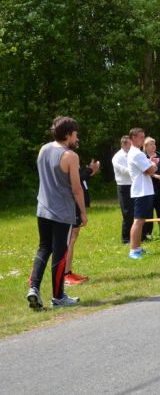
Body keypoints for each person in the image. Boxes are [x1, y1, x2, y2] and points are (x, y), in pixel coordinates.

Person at [27, 116, 86, 309]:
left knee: (44, 248)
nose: (76, 136)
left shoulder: (44, 149)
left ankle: (33, 288)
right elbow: (77, 189)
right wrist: (83, 213)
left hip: (42, 208)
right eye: (75, 133)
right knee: (60, 254)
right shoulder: (70, 156)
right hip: (62, 213)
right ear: (68, 134)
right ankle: (58, 296)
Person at [64, 147, 100, 286]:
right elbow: (76, 181)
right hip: (71, 207)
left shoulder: (72, 157)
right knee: (68, 241)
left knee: (73, 239)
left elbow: (80, 177)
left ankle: (68, 272)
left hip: (76, 208)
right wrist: (91, 170)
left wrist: (91, 171)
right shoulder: (67, 157)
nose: (77, 140)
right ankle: (65, 275)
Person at [127, 127, 158, 259]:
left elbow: (148, 168)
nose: (142, 139)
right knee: (138, 221)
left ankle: (138, 247)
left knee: (141, 220)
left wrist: (151, 164)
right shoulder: (137, 154)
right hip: (141, 191)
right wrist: (154, 165)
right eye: (140, 137)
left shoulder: (137, 153)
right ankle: (133, 250)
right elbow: (150, 170)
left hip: (144, 190)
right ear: (133, 138)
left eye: (143, 136)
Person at [112, 135, 133, 244]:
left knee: (134, 212)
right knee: (127, 212)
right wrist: (136, 171)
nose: (132, 146)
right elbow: (123, 170)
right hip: (124, 186)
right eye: (130, 143)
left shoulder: (131, 155)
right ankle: (125, 239)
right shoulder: (117, 157)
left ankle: (134, 236)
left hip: (133, 185)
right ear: (124, 144)